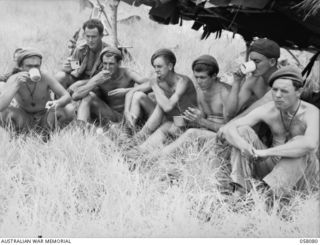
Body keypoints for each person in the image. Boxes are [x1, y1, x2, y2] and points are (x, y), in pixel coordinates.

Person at [220, 66, 319, 197]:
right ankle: (240, 191)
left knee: (300, 143)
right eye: (275, 90)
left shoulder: (311, 112)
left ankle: (266, 198)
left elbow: (310, 144)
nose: (278, 95)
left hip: (303, 175)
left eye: (284, 91)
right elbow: (229, 128)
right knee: (242, 131)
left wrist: (266, 152)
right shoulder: (269, 109)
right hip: (271, 166)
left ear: (298, 92)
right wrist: (243, 146)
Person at [160, 55, 231, 155]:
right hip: (206, 131)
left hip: (224, 138)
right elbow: (202, 119)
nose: (198, 81)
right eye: (196, 77)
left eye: (202, 77)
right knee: (171, 125)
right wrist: (188, 119)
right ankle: (142, 150)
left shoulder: (225, 94)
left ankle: (156, 157)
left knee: (191, 133)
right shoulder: (200, 91)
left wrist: (201, 121)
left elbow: (229, 129)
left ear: (214, 76)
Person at [136, 48, 197, 151]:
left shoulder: (182, 81)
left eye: (159, 66)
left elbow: (168, 107)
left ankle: (144, 139)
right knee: (141, 149)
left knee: (165, 110)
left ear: (170, 66)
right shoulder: (161, 81)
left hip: (189, 121)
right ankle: (138, 139)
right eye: (154, 67)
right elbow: (135, 91)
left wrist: (154, 85)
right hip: (173, 118)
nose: (156, 70)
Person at [0, 48, 73, 132]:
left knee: (69, 109)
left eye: (36, 66)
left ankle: (49, 133)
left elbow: (66, 96)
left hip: (45, 115)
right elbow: (1, 106)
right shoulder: (14, 79)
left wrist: (57, 103)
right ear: (21, 67)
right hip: (24, 116)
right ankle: (19, 134)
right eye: (29, 66)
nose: (33, 69)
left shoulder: (45, 76)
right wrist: (16, 85)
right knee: (3, 113)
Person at [71, 46, 147, 125]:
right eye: (105, 63)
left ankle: (128, 128)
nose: (107, 67)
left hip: (131, 115)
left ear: (119, 63)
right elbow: (75, 96)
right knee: (89, 96)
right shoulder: (100, 76)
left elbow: (150, 84)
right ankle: (82, 127)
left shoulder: (128, 73)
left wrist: (127, 91)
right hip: (111, 115)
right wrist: (94, 82)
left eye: (111, 64)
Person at [224, 38, 280, 118]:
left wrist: (231, 124)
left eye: (257, 61)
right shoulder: (254, 81)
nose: (253, 65)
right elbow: (229, 114)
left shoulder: (283, 82)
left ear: (272, 62)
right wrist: (237, 82)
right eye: (251, 61)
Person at [55, 19, 109, 89]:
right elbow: (74, 68)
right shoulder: (80, 50)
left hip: (99, 85)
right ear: (84, 35)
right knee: (60, 77)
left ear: (101, 36)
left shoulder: (108, 52)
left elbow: (107, 78)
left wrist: (79, 84)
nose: (90, 40)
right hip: (80, 79)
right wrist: (68, 68)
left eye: (94, 37)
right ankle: (62, 99)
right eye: (88, 36)